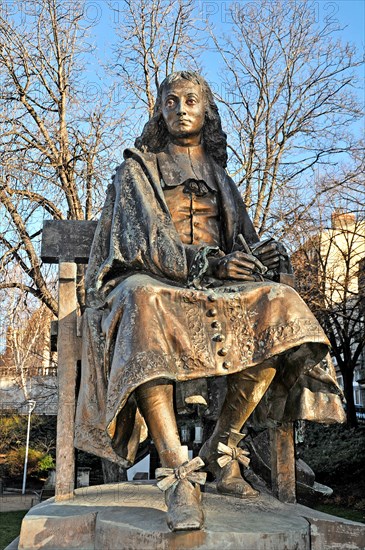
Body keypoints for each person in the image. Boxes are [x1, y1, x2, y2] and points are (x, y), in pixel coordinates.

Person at [75, 71, 344, 531]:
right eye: (172, 101)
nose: (181, 108)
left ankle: (221, 448)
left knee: (279, 306)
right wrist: (212, 266)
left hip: (211, 293)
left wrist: (264, 255)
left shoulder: (220, 176)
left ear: (206, 111)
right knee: (142, 300)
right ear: (160, 111)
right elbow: (144, 245)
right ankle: (178, 470)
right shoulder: (137, 169)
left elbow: (242, 243)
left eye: (192, 100)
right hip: (150, 281)